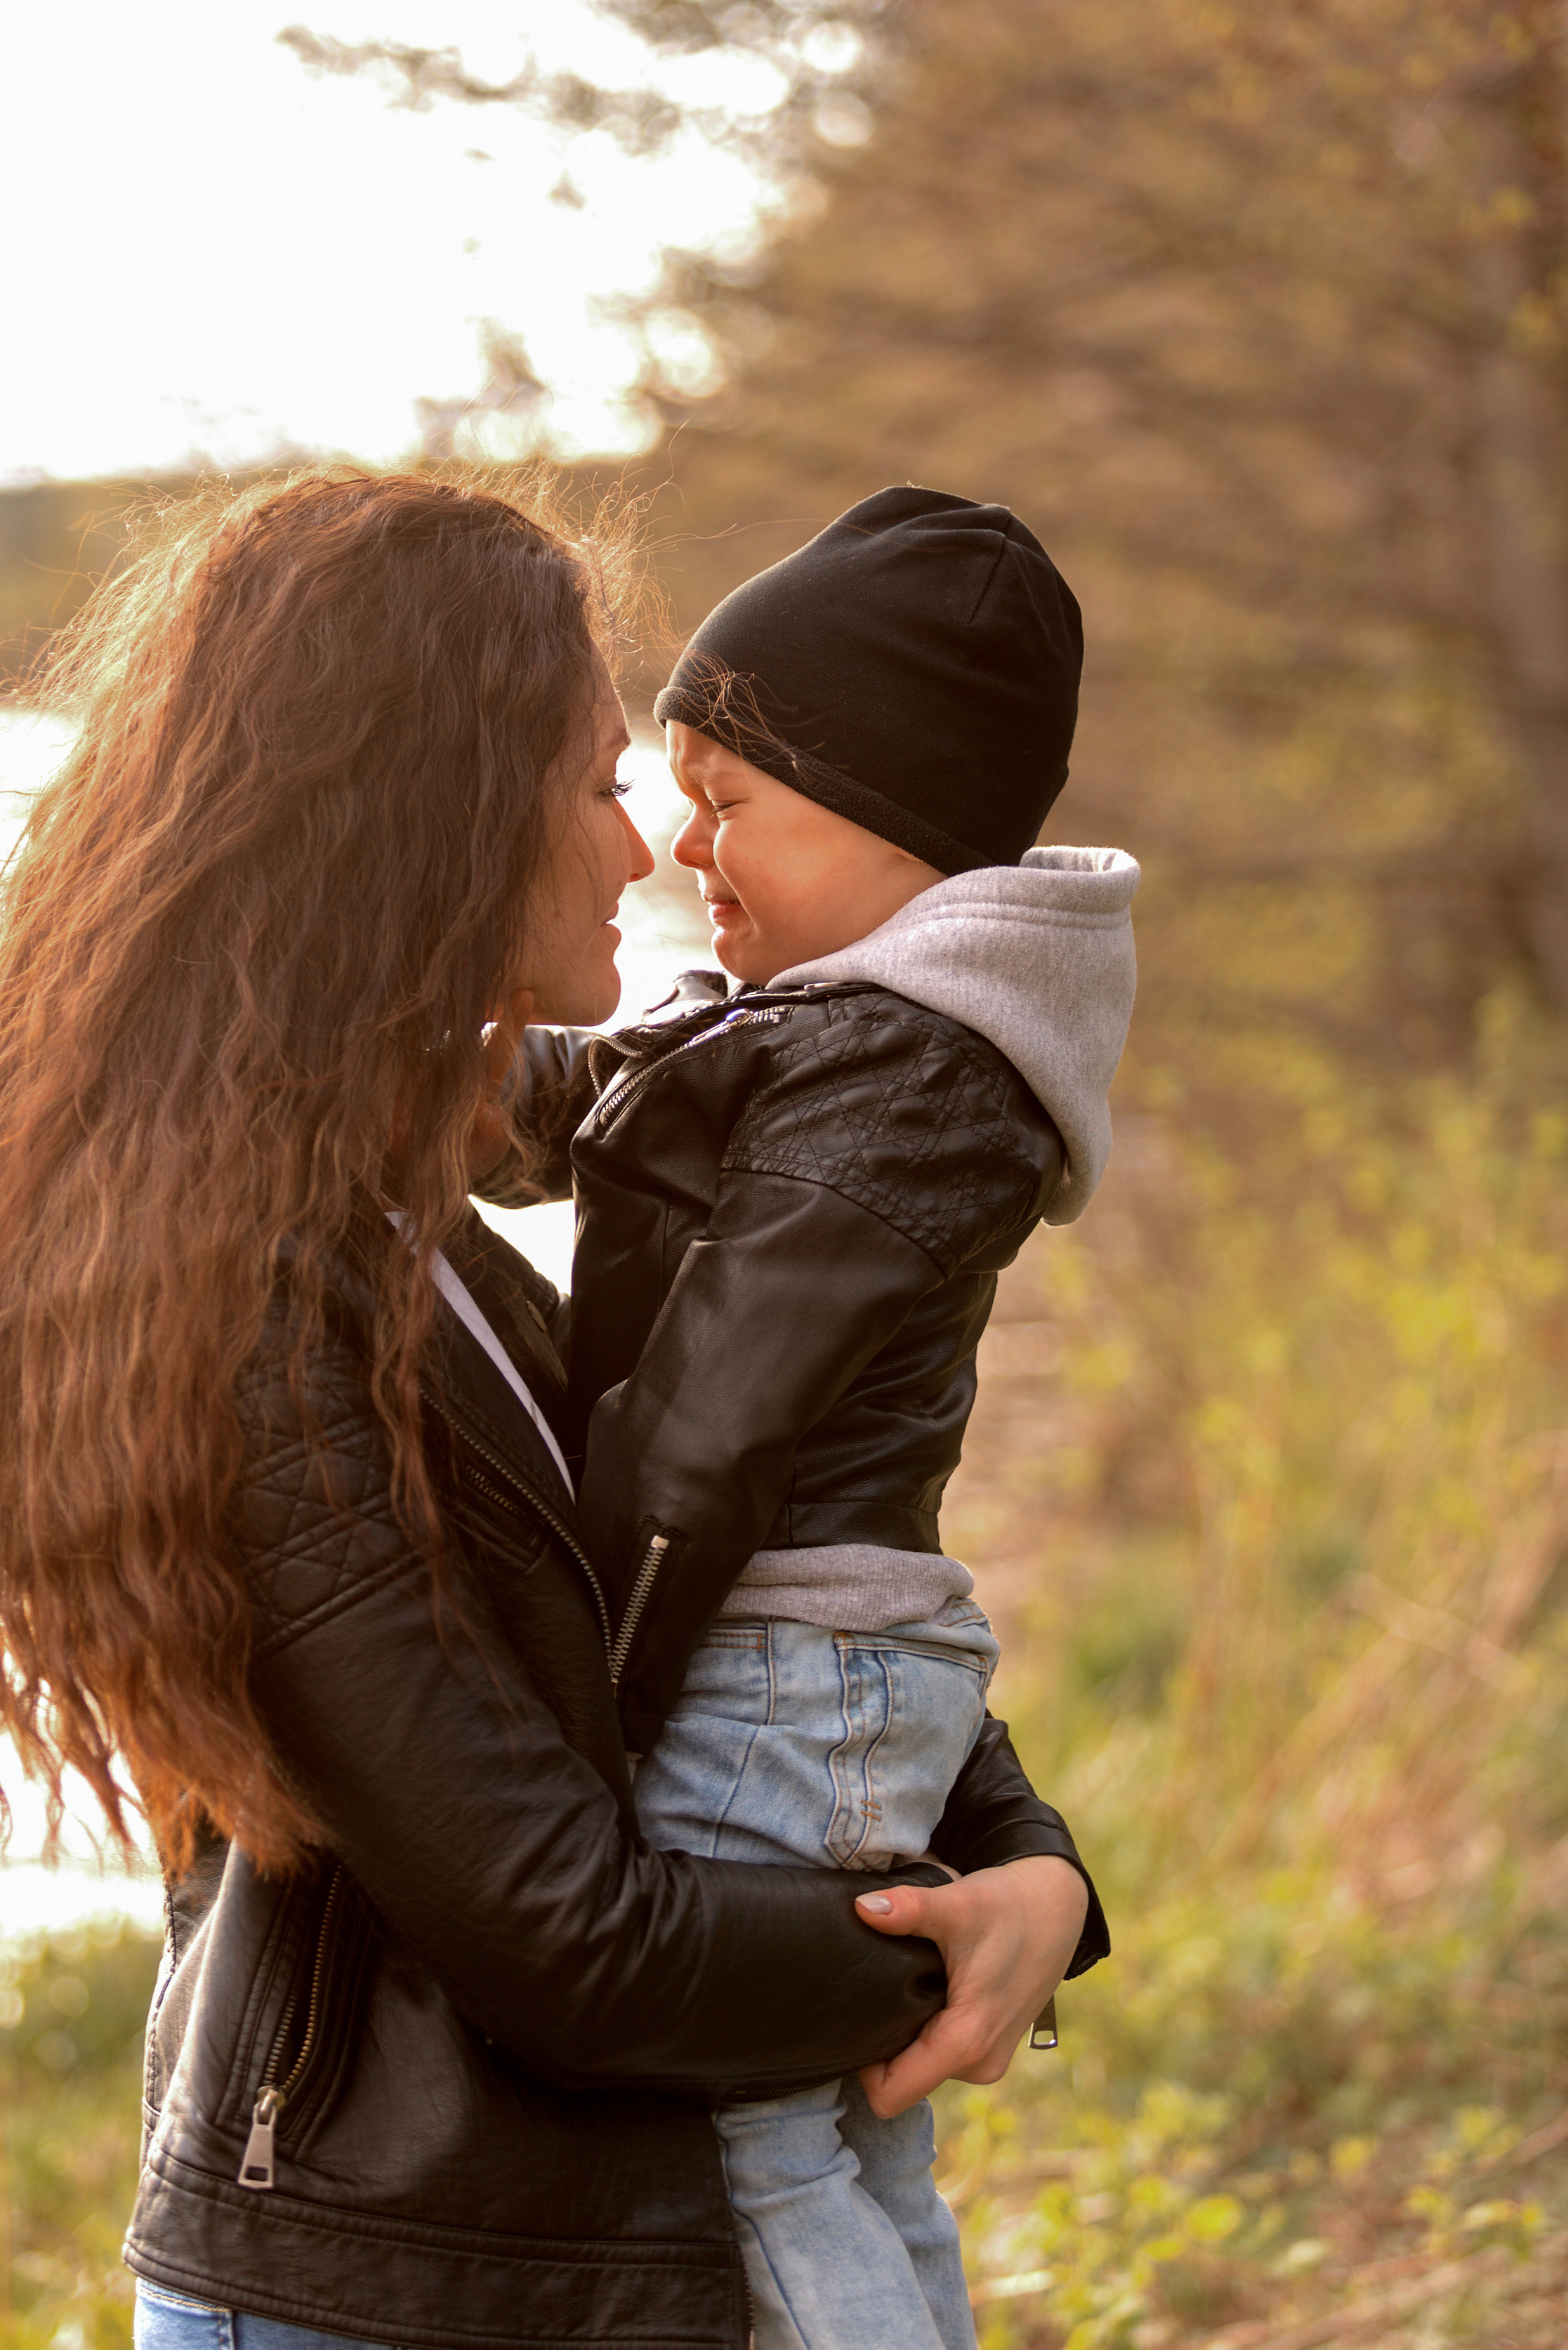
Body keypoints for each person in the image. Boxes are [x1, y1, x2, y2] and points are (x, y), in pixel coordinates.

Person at [0, 468, 1102, 2350]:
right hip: (380, 2283)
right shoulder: (258, 1304)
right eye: (593, 782)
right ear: (435, 821)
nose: (643, 850)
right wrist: (940, 1954)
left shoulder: (407, 1241)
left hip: (509, 2263)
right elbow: (566, 1928)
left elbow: (760, 1580)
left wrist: (1032, 1863)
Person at [498, 490, 1138, 2348]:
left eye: (729, 800)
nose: (681, 841)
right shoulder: (827, 1019)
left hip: (769, 1653)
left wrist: (584, 1707)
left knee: (755, 2146)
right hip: (806, 1650)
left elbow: (712, 1428)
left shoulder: (910, 1076)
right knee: (847, 2150)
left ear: (897, 819)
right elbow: (608, 1096)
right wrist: (414, 1079)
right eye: (672, 787)